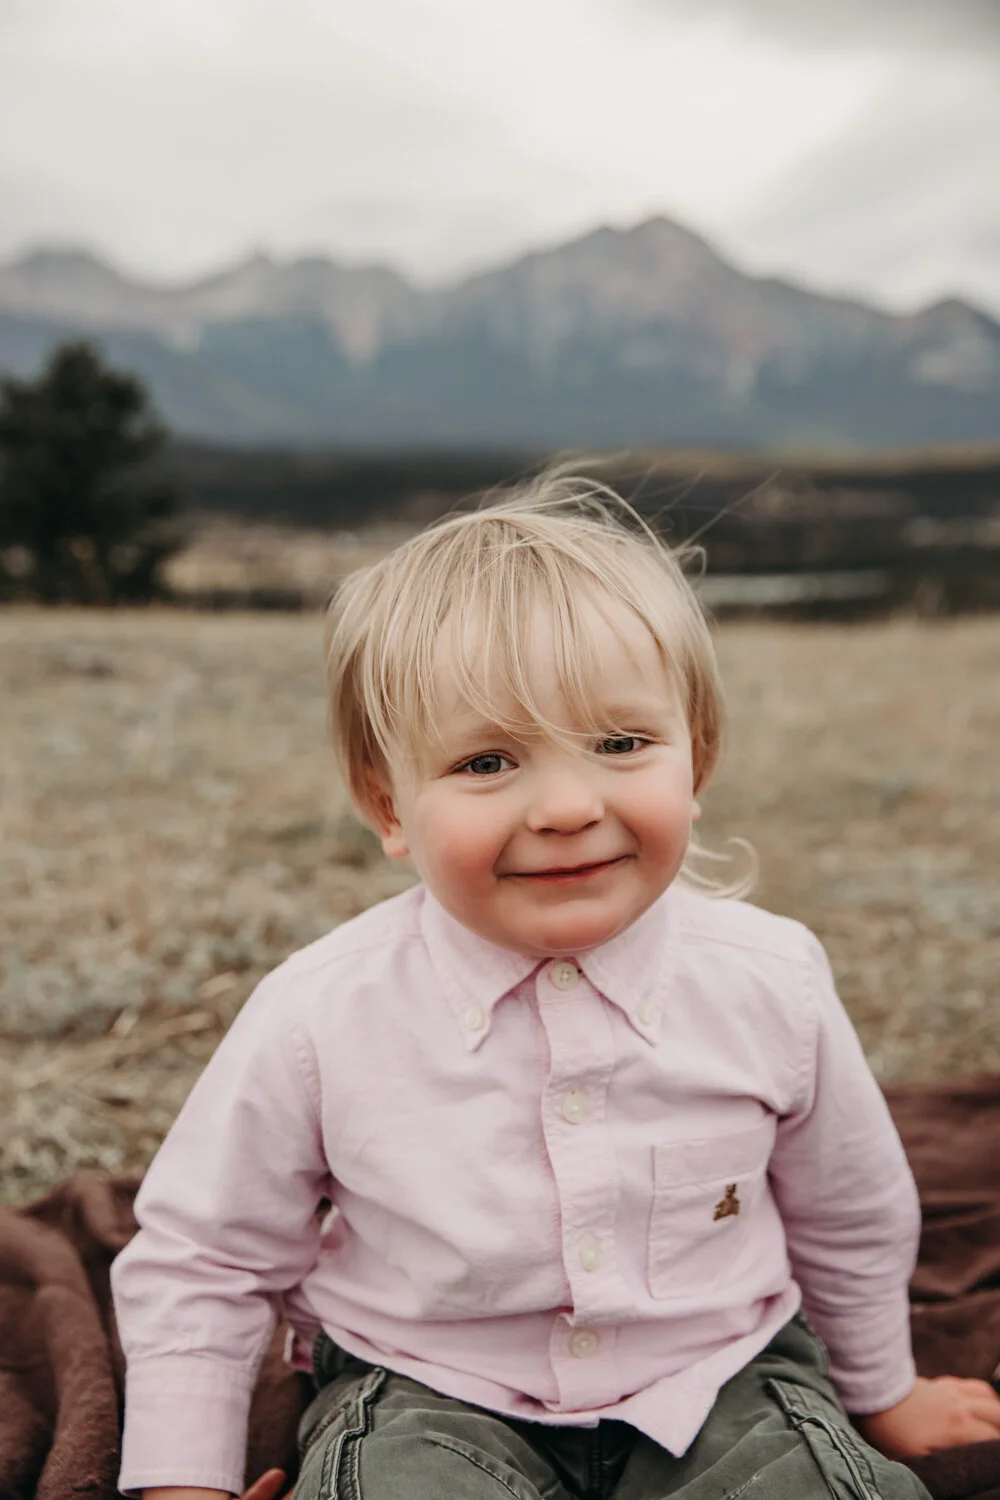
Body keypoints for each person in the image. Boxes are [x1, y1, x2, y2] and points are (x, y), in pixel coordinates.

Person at [113, 472, 1000, 1500]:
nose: (568, 804)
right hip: (421, 1387)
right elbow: (204, 1257)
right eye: (488, 762)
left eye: (621, 745)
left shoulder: (771, 982)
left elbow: (849, 1207)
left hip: (724, 1375)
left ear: (695, 762)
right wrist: (185, 1479)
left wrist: (880, 1389)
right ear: (386, 804)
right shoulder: (321, 1013)